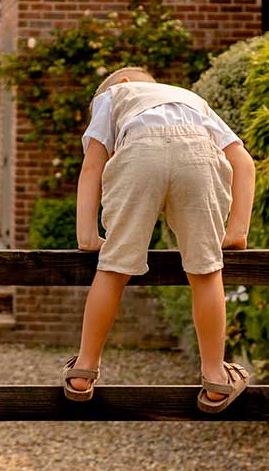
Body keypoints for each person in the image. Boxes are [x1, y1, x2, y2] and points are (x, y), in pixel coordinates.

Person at [62, 67, 257, 413]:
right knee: (206, 271)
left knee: (113, 268)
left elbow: (92, 166)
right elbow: (242, 161)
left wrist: (88, 235)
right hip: (198, 156)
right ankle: (214, 377)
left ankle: (84, 369)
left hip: (140, 156)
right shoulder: (193, 99)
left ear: (121, 84)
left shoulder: (114, 96)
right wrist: (237, 230)